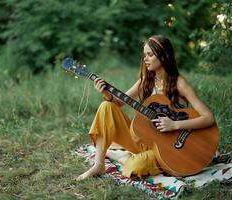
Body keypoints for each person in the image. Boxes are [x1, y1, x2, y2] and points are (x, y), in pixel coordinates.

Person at [75, 35, 216, 181]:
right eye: (144, 55)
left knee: (133, 168)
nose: (145, 59)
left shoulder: (179, 83)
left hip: (166, 150)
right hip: (144, 140)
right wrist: (106, 93)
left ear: (164, 56)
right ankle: (99, 164)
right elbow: (116, 104)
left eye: (150, 55)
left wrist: (175, 124)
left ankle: (121, 155)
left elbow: (208, 118)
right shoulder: (145, 81)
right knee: (106, 106)